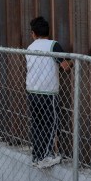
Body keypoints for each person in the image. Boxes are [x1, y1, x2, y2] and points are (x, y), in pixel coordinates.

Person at [26, 15, 71, 169]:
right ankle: (45, 156)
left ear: (33, 33)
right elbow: (65, 66)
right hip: (48, 93)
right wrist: (72, 60)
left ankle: (37, 156)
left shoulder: (30, 48)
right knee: (51, 124)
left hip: (32, 91)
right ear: (47, 32)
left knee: (37, 125)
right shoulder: (53, 45)